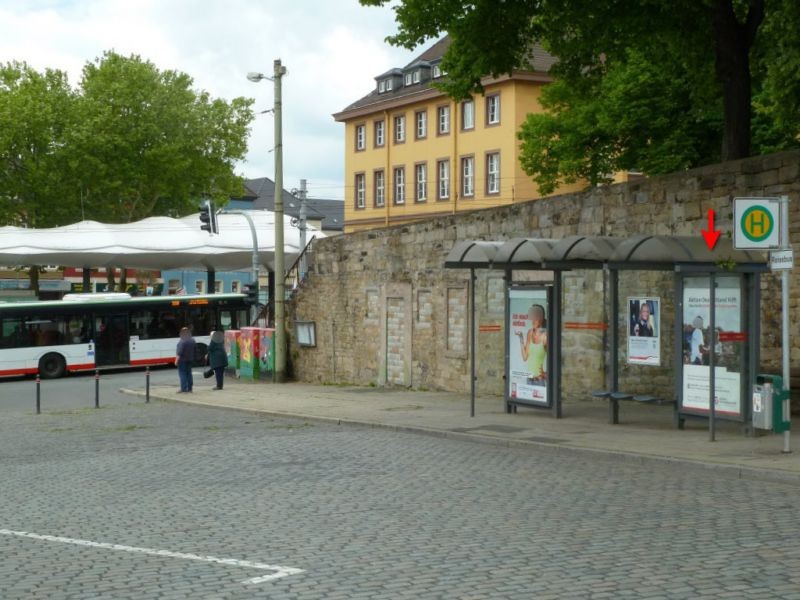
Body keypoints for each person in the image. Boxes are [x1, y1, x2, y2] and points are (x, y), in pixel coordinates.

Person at [515, 304, 548, 385]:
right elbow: (525, 357)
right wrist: (521, 338)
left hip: (539, 380)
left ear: (541, 319)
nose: (533, 320)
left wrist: (545, 374)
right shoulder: (530, 333)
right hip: (529, 379)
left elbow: (554, 360)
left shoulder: (546, 336)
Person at [175, 327, 196, 393]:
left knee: (182, 374)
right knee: (189, 373)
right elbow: (195, 349)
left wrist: (176, 360)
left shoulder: (182, 341)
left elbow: (179, 352)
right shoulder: (192, 340)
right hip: (190, 359)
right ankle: (190, 389)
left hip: (182, 360)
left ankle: (183, 389)